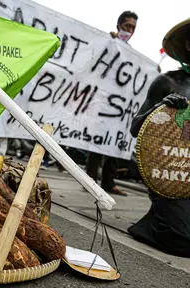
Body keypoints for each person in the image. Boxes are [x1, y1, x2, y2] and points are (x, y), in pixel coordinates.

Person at [128, 18, 190, 257]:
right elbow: (135, 128)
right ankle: (150, 225)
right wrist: (161, 109)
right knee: (183, 239)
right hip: (171, 176)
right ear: (187, 44)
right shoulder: (167, 82)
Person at [86, 11, 138, 197]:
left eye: (133, 28)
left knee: (116, 143)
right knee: (98, 142)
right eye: (127, 27)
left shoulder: (132, 53)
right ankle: (90, 180)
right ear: (118, 26)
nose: (130, 31)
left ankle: (108, 182)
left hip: (121, 107)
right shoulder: (108, 42)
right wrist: (109, 40)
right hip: (103, 103)